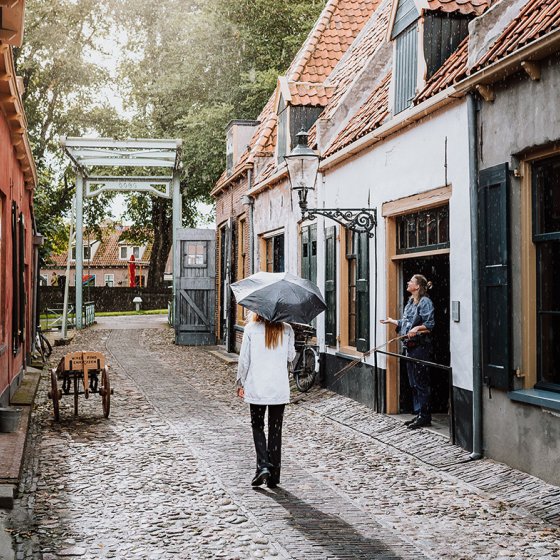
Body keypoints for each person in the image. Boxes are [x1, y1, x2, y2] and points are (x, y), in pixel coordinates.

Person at [236, 313, 296, 488]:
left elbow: (244, 360)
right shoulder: (287, 329)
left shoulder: (250, 329)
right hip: (278, 387)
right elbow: (291, 357)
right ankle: (274, 476)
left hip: (257, 386)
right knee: (275, 429)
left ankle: (263, 465)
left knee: (257, 425)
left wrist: (241, 382)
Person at [380, 274, 435, 430]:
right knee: (413, 382)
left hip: (420, 348)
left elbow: (430, 325)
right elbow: (406, 323)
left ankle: (425, 416)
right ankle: (418, 413)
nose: (408, 283)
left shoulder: (425, 303)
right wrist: (393, 321)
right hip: (409, 348)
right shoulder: (411, 302)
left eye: (411, 281)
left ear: (417, 286)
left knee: (421, 382)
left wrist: (418, 329)